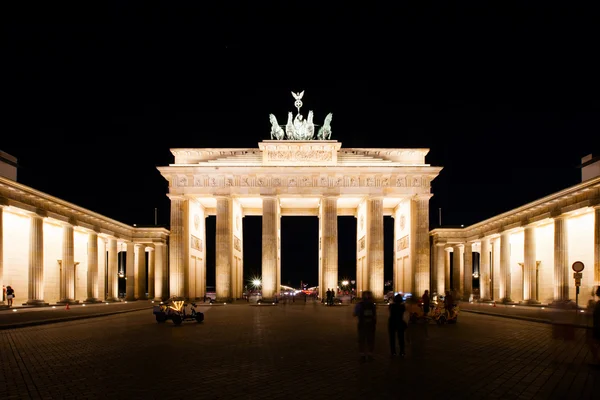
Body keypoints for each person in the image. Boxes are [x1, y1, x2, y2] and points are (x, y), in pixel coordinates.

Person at [353, 290, 377, 362]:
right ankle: (370, 355)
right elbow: (375, 315)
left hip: (362, 324)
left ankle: (362, 355)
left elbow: (354, 314)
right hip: (371, 325)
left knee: (361, 340)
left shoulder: (359, 304)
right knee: (371, 340)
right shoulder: (372, 305)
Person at [589, 286, 600, 367]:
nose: (596, 293)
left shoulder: (599, 304)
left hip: (598, 327)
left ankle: (597, 361)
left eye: (597, 292)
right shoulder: (598, 303)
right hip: (597, 326)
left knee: (594, 343)